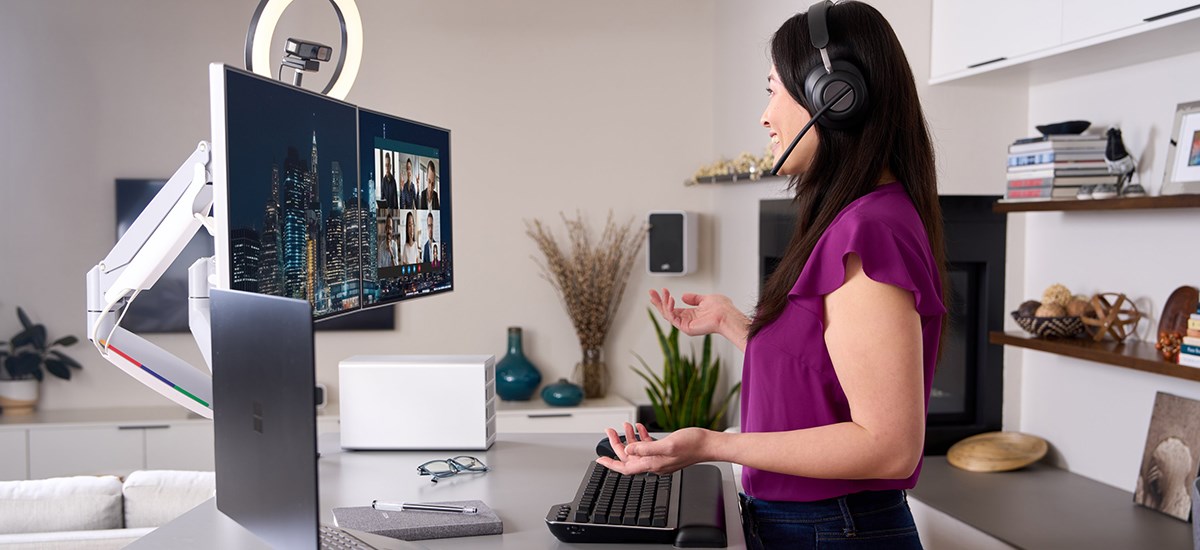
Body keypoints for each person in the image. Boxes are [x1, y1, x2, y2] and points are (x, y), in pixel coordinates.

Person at [597, 3, 947, 549]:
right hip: (815, 526)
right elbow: (824, 376)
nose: (765, 116)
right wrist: (736, 324)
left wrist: (714, 446)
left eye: (772, 90)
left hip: (835, 530)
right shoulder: (854, 220)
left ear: (835, 98)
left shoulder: (868, 233)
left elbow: (888, 445)